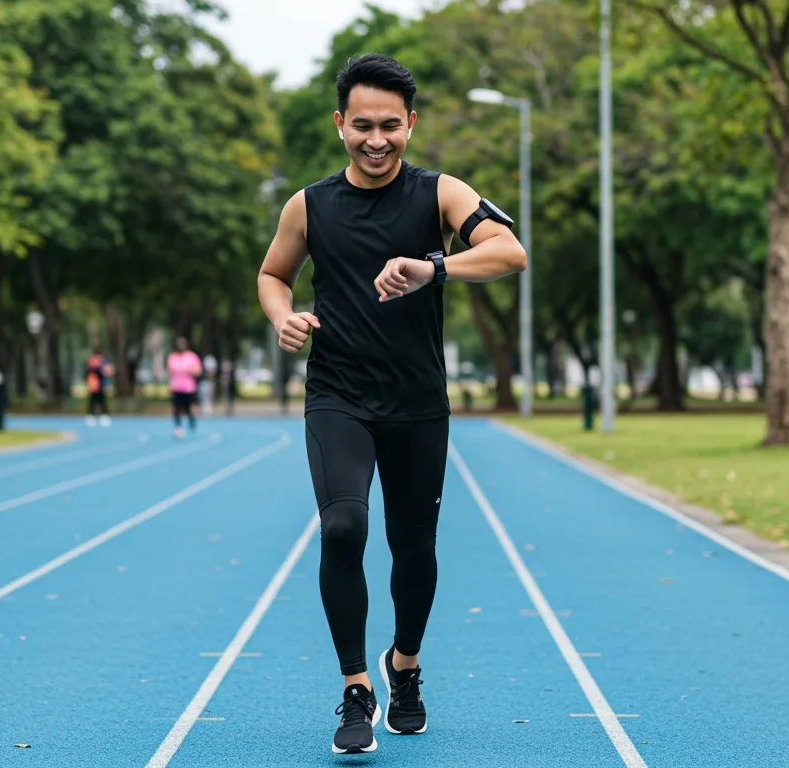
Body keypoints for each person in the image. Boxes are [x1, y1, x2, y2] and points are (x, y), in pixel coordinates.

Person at [256, 53, 525, 755]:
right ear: (340, 124)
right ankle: (355, 688)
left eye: (391, 127)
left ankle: (403, 667)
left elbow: (509, 251)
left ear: (411, 124)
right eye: (362, 126)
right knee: (343, 528)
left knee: (415, 548)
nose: (377, 140)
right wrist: (280, 314)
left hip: (416, 403)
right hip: (338, 395)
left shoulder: (439, 195)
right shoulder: (308, 205)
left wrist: (434, 267)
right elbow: (273, 273)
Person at [165, 336, 202, 438]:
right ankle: (178, 427)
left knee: (190, 407)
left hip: (189, 387)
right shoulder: (172, 357)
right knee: (177, 408)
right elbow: (170, 372)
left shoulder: (192, 357)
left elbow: (198, 371)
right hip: (176, 387)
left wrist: (192, 370)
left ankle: (192, 422)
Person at [84, 348, 114, 427]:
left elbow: (109, 371)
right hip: (94, 385)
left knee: (102, 400)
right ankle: (90, 415)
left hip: (101, 385)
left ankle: (104, 415)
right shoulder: (93, 362)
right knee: (93, 400)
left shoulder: (103, 362)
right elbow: (91, 371)